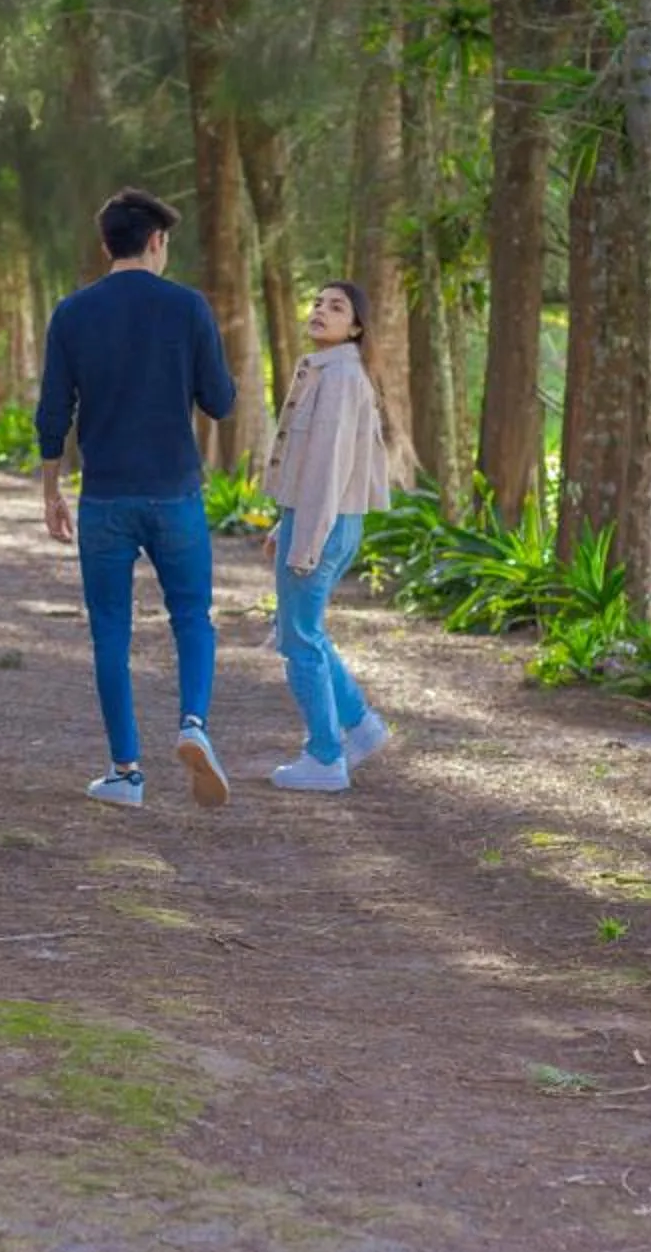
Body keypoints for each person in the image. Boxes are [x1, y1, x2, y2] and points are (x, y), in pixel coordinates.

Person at [36, 187, 239, 809]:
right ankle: (193, 725)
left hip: (104, 498)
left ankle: (126, 773)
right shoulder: (187, 307)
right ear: (156, 242)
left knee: (109, 633)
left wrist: (51, 490)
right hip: (174, 491)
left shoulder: (72, 313)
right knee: (191, 617)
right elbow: (221, 402)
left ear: (106, 245)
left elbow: (52, 413)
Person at [258, 281, 394, 792]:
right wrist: (287, 521)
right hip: (323, 516)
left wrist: (306, 536)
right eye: (317, 303)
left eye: (336, 307)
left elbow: (329, 464)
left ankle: (325, 756)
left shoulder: (339, 377)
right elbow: (321, 468)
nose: (320, 311)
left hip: (325, 520)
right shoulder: (330, 369)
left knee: (299, 640)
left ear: (356, 327)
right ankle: (360, 726)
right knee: (305, 630)